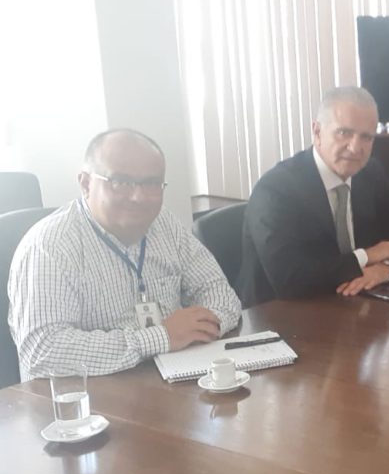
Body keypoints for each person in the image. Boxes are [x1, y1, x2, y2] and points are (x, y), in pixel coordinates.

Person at [8, 129, 241, 379]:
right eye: (120, 182)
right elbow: (43, 351)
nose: (137, 197)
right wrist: (160, 337)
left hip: (167, 379)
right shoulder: (49, 246)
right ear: (86, 184)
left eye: (151, 183)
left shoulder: (164, 224)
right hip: (87, 396)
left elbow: (220, 295)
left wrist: (197, 328)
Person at [237, 86, 389, 307]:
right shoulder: (276, 189)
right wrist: (369, 255)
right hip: (277, 316)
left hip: (349, 307)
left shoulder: (369, 174)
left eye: (366, 137)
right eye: (344, 133)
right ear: (317, 132)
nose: (355, 148)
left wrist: (388, 266)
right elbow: (291, 279)